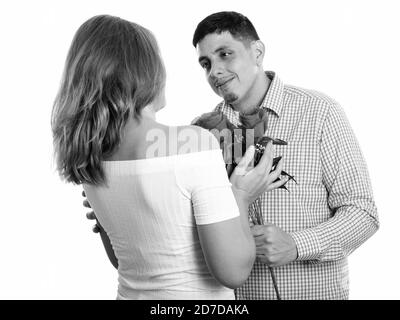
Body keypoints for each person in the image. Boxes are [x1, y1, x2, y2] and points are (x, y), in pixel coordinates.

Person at [52, 14, 287, 300]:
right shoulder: (194, 142)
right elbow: (233, 272)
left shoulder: (91, 155)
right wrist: (239, 195)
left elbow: (122, 260)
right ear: (144, 72)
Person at [189, 11, 379, 300]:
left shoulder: (320, 113)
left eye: (225, 54)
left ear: (257, 52)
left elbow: (362, 212)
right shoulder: (200, 135)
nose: (214, 71)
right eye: (206, 63)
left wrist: (297, 245)